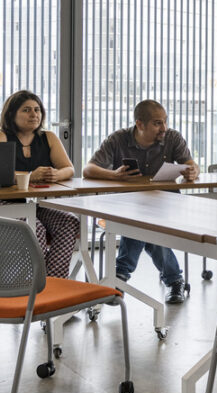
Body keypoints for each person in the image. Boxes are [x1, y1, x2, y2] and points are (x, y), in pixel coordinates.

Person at [83, 99, 200, 304]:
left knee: (142, 222)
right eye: (157, 123)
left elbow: (191, 164)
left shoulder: (172, 138)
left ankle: (120, 276)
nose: (163, 127)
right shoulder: (118, 139)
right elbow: (89, 169)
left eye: (165, 121)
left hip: (167, 204)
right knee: (145, 225)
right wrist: (114, 175)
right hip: (128, 205)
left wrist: (192, 171)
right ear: (140, 124)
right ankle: (174, 280)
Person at [0, 90, 80, 281]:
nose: (34, 115)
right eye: (27, 110)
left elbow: (69, 169)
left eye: (37, 110)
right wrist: (30, 176)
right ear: (12, 114)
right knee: (34, 227)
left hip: (36, 205)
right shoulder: (0, 137)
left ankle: (53, 283)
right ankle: (31, 284)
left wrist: (56, 174)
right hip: (1, 205)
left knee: (69, 222)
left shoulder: (49, 137)